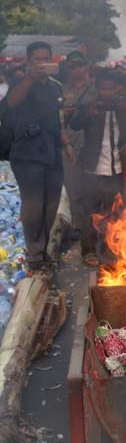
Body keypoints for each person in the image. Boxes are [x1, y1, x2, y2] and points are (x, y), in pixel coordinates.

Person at [4, 41, 71, 274]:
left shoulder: (55, 87)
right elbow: (9, 104)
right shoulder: (19, 82)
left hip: (52, 152)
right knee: (33, 207)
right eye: (38, 58)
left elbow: (57, 118)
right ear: (29, 60)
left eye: (46, 58)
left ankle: (42, 251)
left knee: (51, 206)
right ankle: (35, 256)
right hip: (27, 154)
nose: (43, 62)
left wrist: (66, 143)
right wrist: (30, 78)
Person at [69, 70, 126, 267]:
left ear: (117, 89)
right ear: (98, 89)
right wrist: (88, 112)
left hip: (116, 169)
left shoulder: (122, 109)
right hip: (92, 169)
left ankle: (108, 251)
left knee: (113, 214)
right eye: (104, 88)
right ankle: (88, 251)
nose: (107, 92)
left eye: (111, 88)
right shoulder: (91, 107)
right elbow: (75, 124)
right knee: (90, 214)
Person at [60, 51, 95, 250]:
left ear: (87, 66)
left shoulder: (97, 89)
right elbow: (56, 120)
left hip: (93, 147)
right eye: (73, 66)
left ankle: (94, 228)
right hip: (70, 146)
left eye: (80, 65)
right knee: (74, 190)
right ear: (68, 68)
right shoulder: (62, 91)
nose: (77, 69)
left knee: (93, 190)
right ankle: (79, 228)